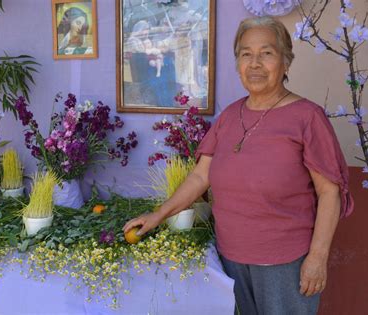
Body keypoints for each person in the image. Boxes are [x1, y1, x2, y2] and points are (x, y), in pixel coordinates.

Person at [124, 16, 354, 315]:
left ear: (286, 62)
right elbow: (200, 176)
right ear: (237, 64)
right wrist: (158, 215)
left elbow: (330, 193)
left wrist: (318, 258)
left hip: (284, 262)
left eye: (266, 53)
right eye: (246, 54)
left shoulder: (308, 118)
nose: (255, 63)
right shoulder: (229, 117)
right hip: (230, 256)